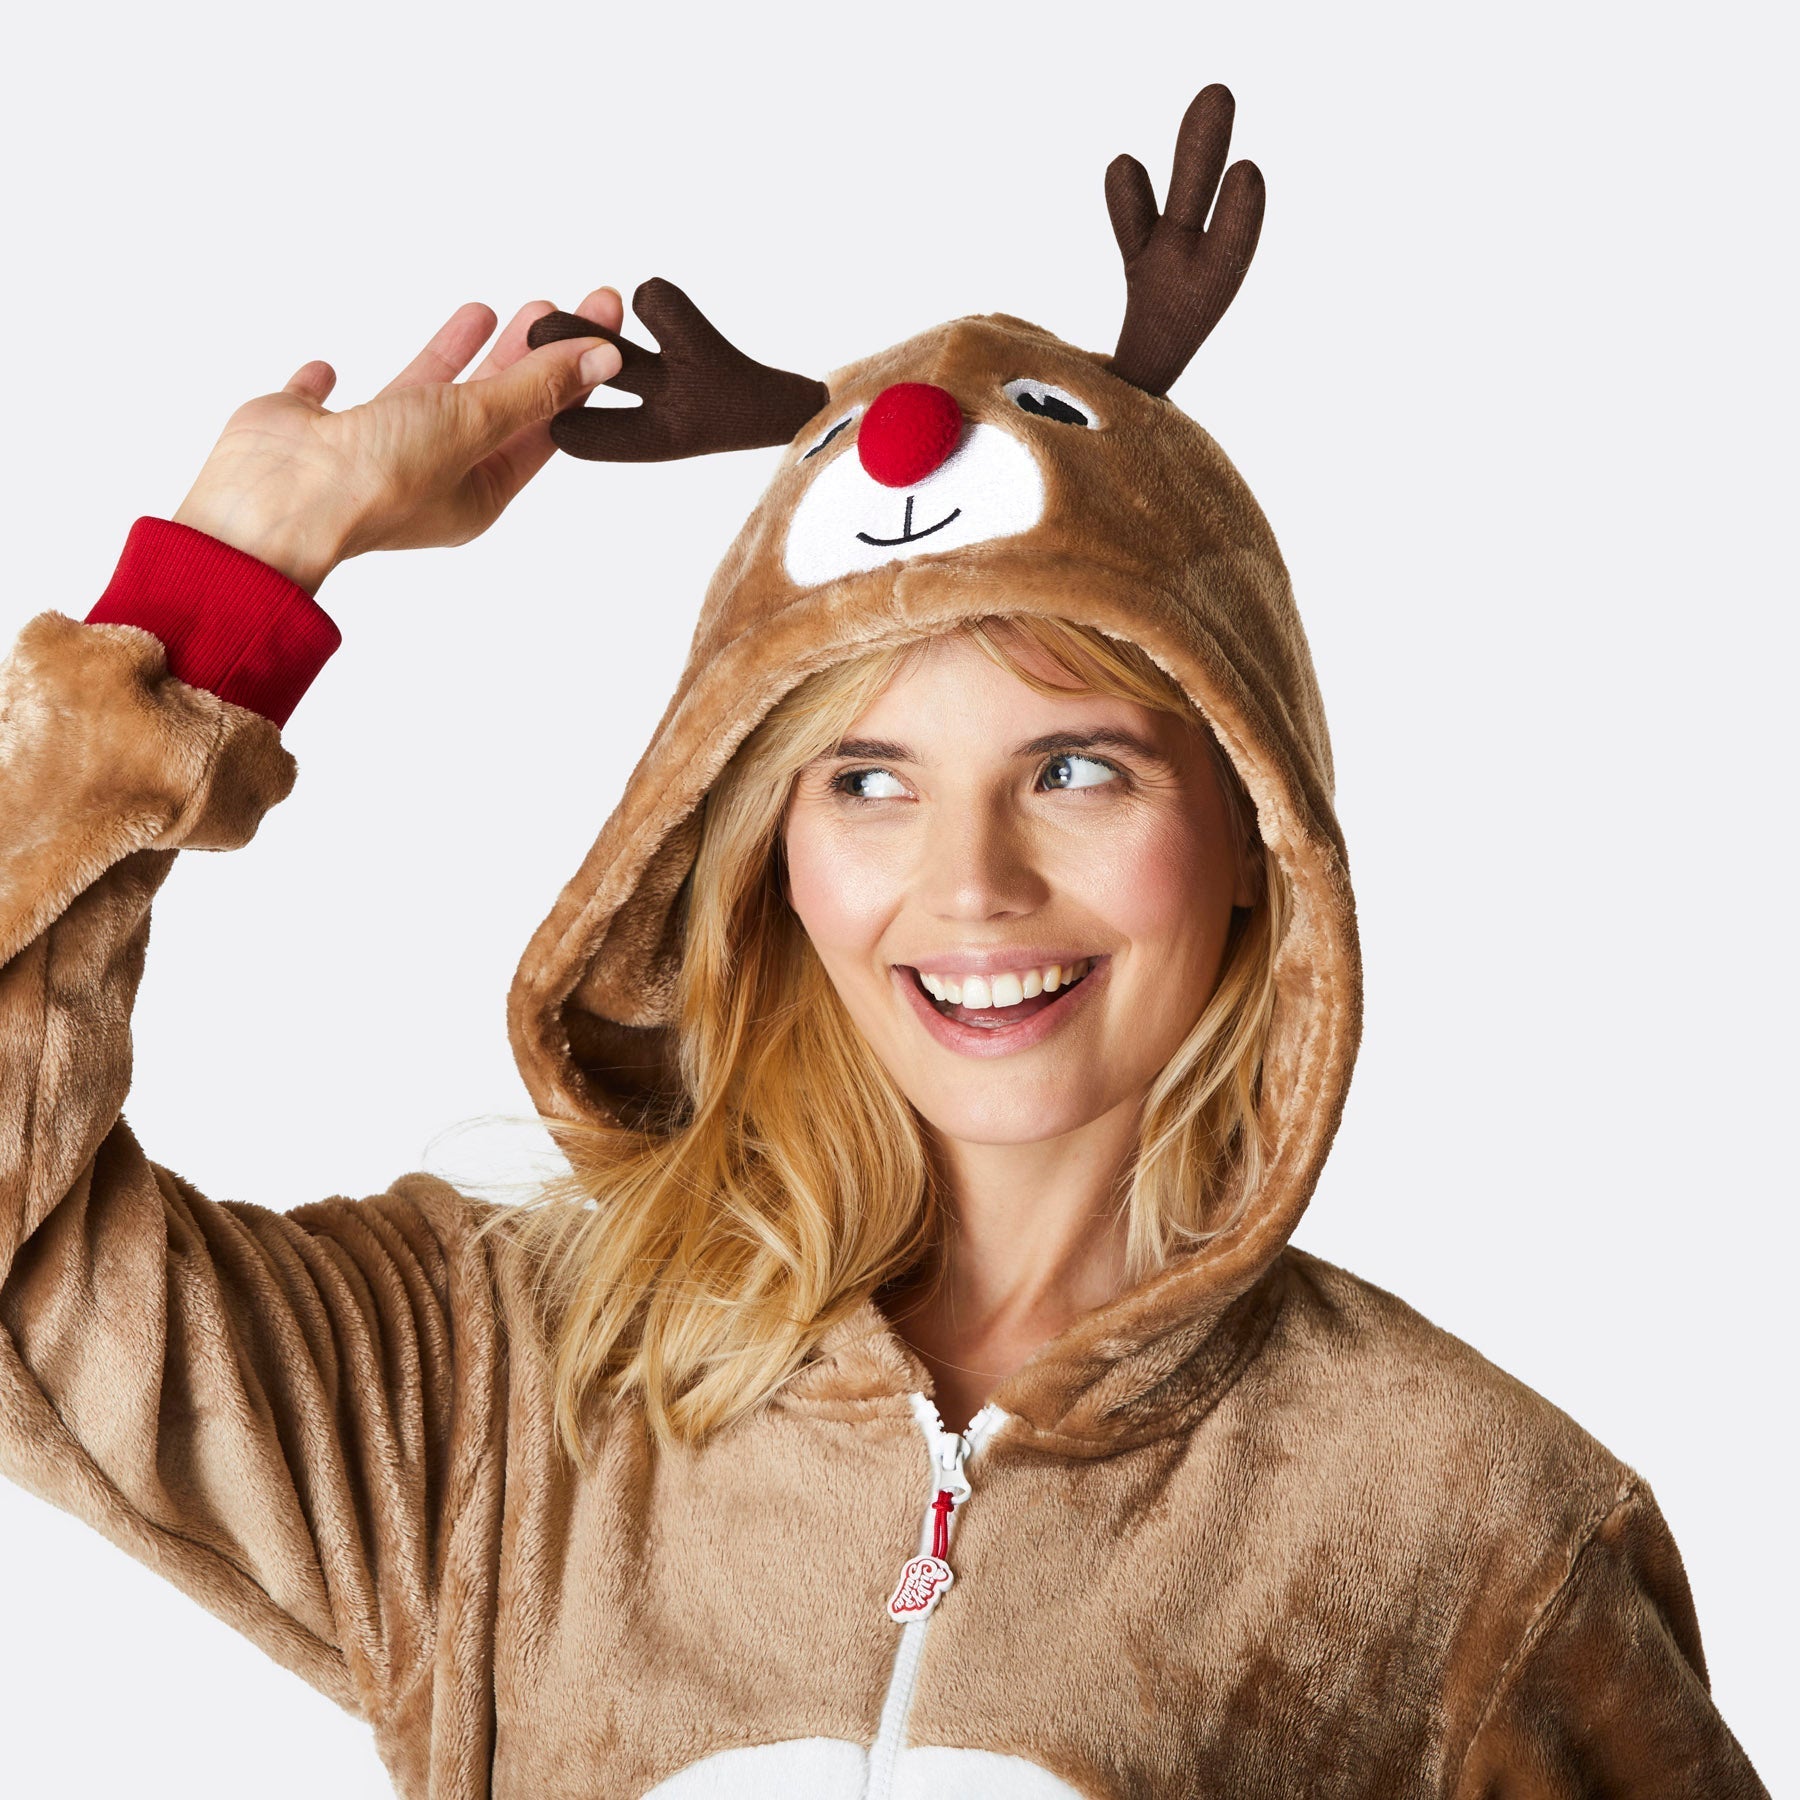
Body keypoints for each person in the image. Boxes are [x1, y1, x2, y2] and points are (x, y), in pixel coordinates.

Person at [0, 88, 1768, 1800]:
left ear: (1251, 828)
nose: (971, 886)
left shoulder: (1472, 1531)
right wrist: (230, 567)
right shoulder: (498, 1387)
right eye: (868, 780)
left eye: (1074, 768)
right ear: (764, 850)